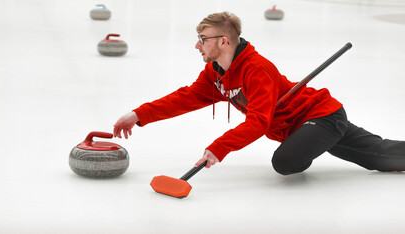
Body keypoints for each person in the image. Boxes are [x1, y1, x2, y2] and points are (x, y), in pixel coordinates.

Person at [113, 12, 405, 175]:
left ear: (224, 41)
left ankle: (313, 138)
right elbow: (186, 97)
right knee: (378, 157)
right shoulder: (215, 72)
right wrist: (138, 114)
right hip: (301, 126)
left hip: (321, 115)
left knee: (286, 162)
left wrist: (219, 147)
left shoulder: (257, 70)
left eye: (202, 39)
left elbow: (258, 123)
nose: (197, 46)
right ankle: (315, 139)